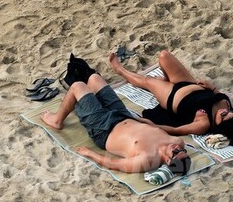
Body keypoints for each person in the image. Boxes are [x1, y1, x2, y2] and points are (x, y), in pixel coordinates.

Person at [41, 60, 191, 175]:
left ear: (168, 161)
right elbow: (161, 131)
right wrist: (147, 123)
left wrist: (90, 153)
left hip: (104, 129)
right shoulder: (177, 142)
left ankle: (57, 120)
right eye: (182, 150)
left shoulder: (147, 160)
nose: (177, 148)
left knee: (78, 86)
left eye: (176, 153)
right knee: (94, 78)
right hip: (123, 115)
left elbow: (115, 164)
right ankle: (78, 104)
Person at [109, 50, 233, 146]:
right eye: (228, 112)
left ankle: (120, 70)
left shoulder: (203, 124)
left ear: (219, 126)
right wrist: (213, 88)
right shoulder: (232, 113)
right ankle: (166, 80)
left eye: (223, 115)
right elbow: (230, 115)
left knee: (147, 81)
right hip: (190, 83)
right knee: (164, 56)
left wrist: (153, 125)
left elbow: (176, 130)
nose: (225, 111)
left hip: (172, 95)